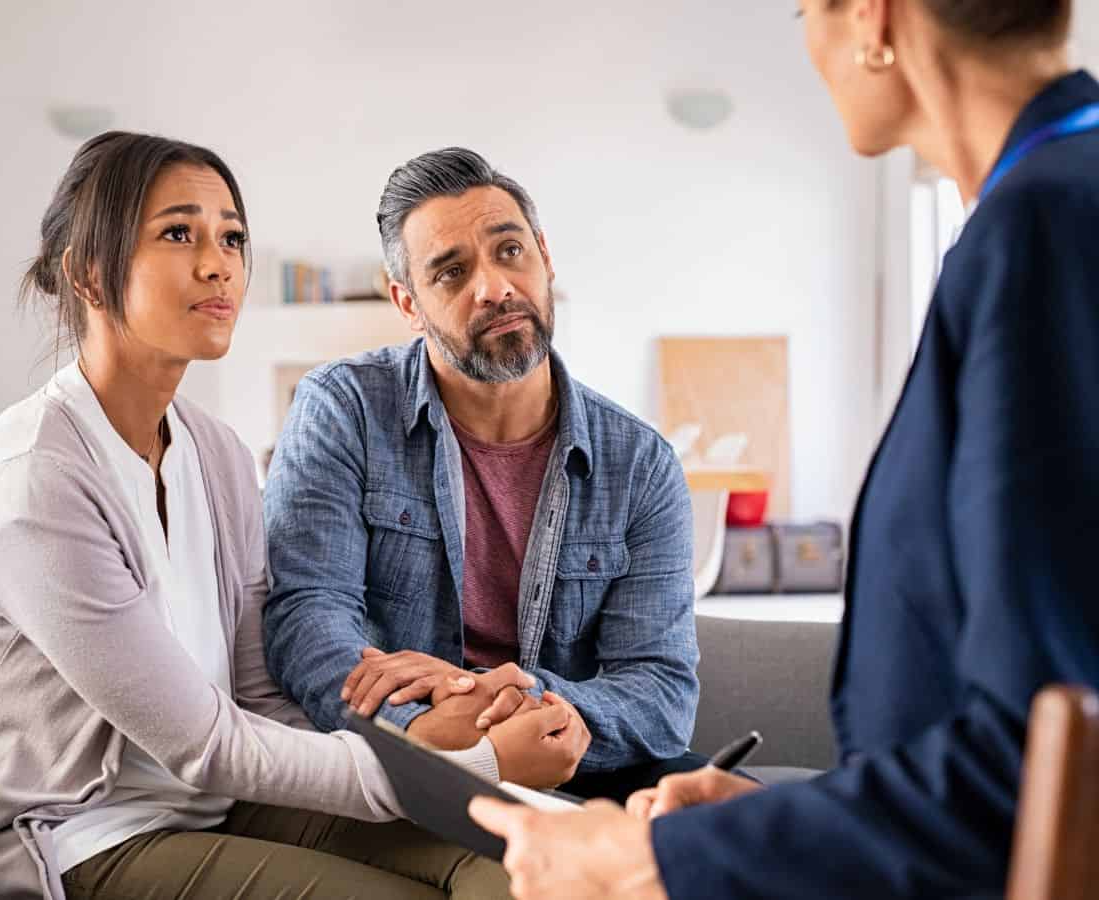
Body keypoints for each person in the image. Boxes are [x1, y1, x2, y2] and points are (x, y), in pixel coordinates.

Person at [468, 2, 1099, 897]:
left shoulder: (1043, 229)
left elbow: (1042, 767)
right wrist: (768, 825)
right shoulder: (1052, 206)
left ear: (874, 16)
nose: (808, 43)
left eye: (806, 9)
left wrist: (650, 860)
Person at [0, 131, 579, 900]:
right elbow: (205, 744)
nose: (218, 263)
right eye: (178, 234)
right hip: (76, 839)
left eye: (232, 236)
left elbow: (259, 697)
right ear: (88, 273)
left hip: (222, 806)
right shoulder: (33, 481)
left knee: (519, 867)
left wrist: (438, 737)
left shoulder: (219, 453)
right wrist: (467, 768)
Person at [263, 147, 702, 803]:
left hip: (576, 755)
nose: (495, 287)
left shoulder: (640, 464)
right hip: (412, 759)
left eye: (510, 252)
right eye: (450, 272)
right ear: (407, 303)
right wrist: (433, 734)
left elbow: (660, 688)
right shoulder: (343, 409)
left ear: (545, 256)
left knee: (759, 831)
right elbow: (309, 618)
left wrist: (516, 702)